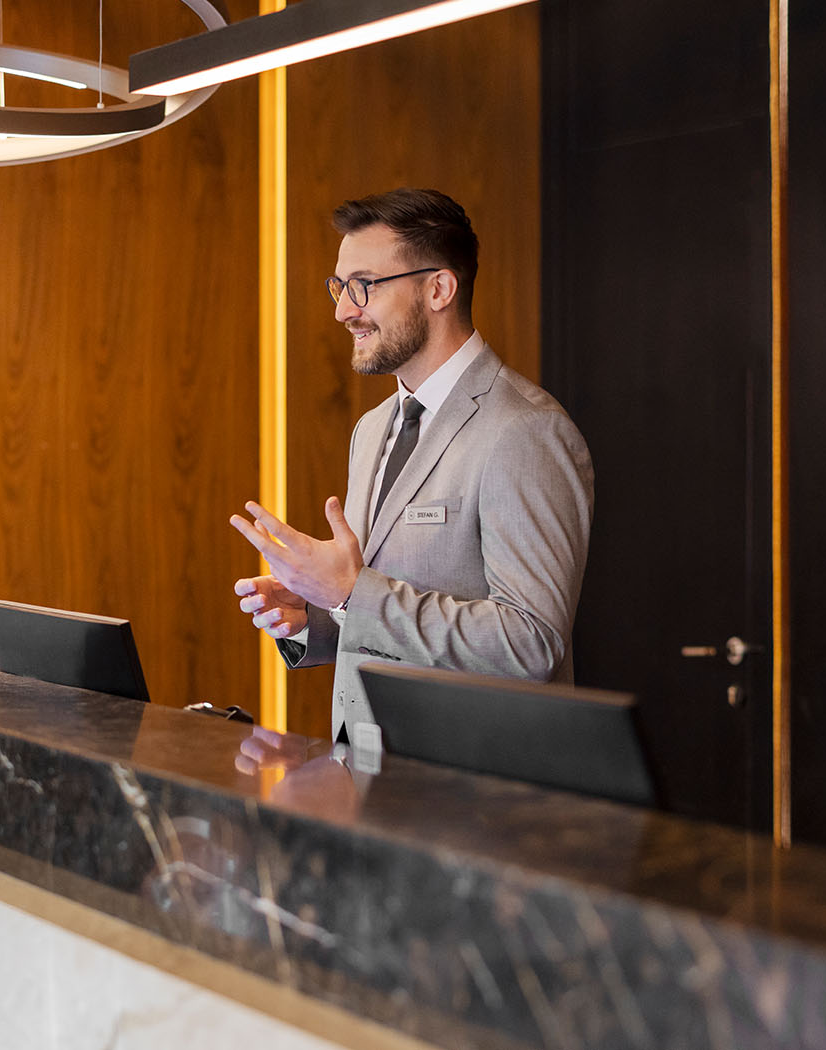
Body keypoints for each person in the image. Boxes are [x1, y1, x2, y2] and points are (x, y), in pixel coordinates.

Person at [231, 188, 594, 740]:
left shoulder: (524, 430)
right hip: (371, 773)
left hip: (475, 796)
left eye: (363, 287)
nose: (342, 310)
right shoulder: (374, 427)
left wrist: (352, 594)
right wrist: (320, 617)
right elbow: (383, 609)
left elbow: (531, 643)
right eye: (338, 287)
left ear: (439, 289)